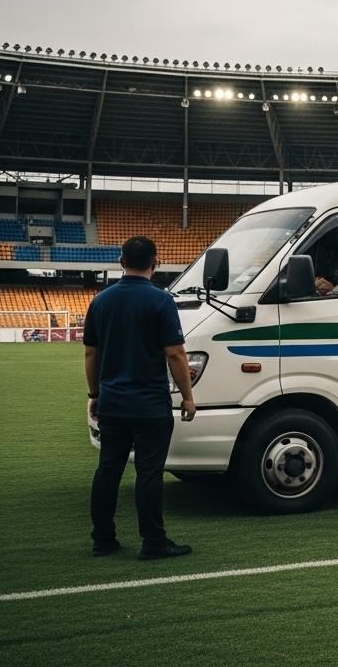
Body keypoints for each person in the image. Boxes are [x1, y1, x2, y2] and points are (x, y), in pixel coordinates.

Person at [85, 236, 196, 559]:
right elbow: (174, 353)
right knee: (149, 473)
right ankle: (153, 541)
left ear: (122, 262)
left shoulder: (101, 301)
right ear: (155, 263)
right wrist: (187, 397)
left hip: (113, 402)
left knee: (108, 470)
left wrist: (95, 394)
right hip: (149, 403)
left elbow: (91, 353)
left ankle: (103, 539)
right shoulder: (161, 301)